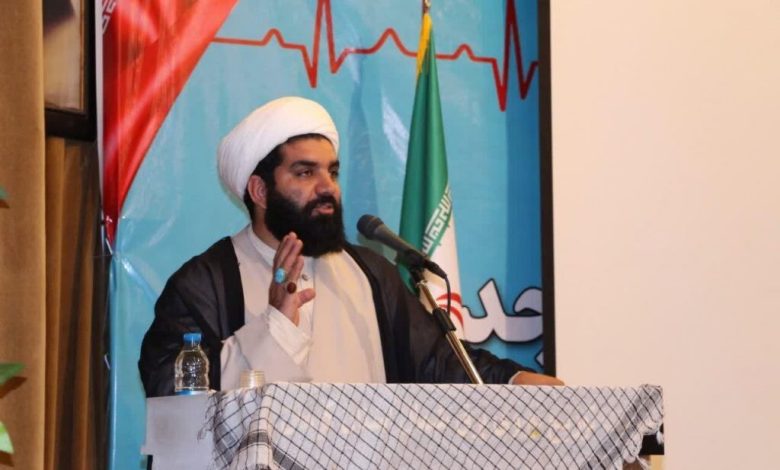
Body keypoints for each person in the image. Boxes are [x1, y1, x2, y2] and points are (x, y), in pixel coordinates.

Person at [138, 96, 562, 397]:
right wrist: (274, 325)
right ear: (260, 191)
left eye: (333, 172)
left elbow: (436, 360)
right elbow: (171, 394)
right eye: (305, 173)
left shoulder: (370, 272)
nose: (328, 188)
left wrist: (515, 380)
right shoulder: (204, 283)